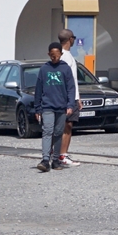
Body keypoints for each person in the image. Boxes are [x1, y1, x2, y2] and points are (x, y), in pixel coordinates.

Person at [33, 43, 79, 172]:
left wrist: (70, 105)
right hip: (47, 106)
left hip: (62, 106)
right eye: (52, 55)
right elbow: (38, 90)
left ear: (61, 54)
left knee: (58, 132)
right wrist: (38, 108)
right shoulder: (44, 69)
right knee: (47, 131)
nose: (54, 58)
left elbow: (71, 88)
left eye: (57, 55)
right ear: (49, 54)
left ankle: (56, 160)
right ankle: (45, 160)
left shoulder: (65, 69)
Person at [55, 29, 81, 168]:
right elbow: (64, 80)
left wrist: (78, 97)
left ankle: (60, 153)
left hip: (73, 97)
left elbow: (74, 80)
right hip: (67, 98)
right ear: (70, 39)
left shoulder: (68, 55)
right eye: (74, 38)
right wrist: (70, 100)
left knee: (68, 126)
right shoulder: (64, 56)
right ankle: (62, 155)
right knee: (66, 126)